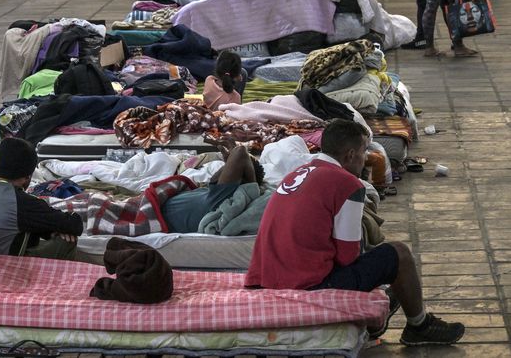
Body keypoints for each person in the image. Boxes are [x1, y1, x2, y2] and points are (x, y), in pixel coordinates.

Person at [245, 119, 465, 346]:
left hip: (268, 278)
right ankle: (419, 326)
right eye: (363, 151)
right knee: (399, 254)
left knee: (381, 264)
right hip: (308, 285)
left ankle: (387, 305)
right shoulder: (347, 183)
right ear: (350, 155)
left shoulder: (298, 173)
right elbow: (347, 255)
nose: (365, 158)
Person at [0, 137, 84, 258]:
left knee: (30, 226)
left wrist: (52, 229)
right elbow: (74, 225)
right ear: (28, 176)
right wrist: (59, 229)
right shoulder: (19, 201)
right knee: (65, 242)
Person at [162, 144, 261, 233]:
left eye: (226, 168)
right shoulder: (207, 192)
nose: (222, 169)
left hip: (156, 220)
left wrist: (234, 152)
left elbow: (240, 152)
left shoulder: (221, 197)